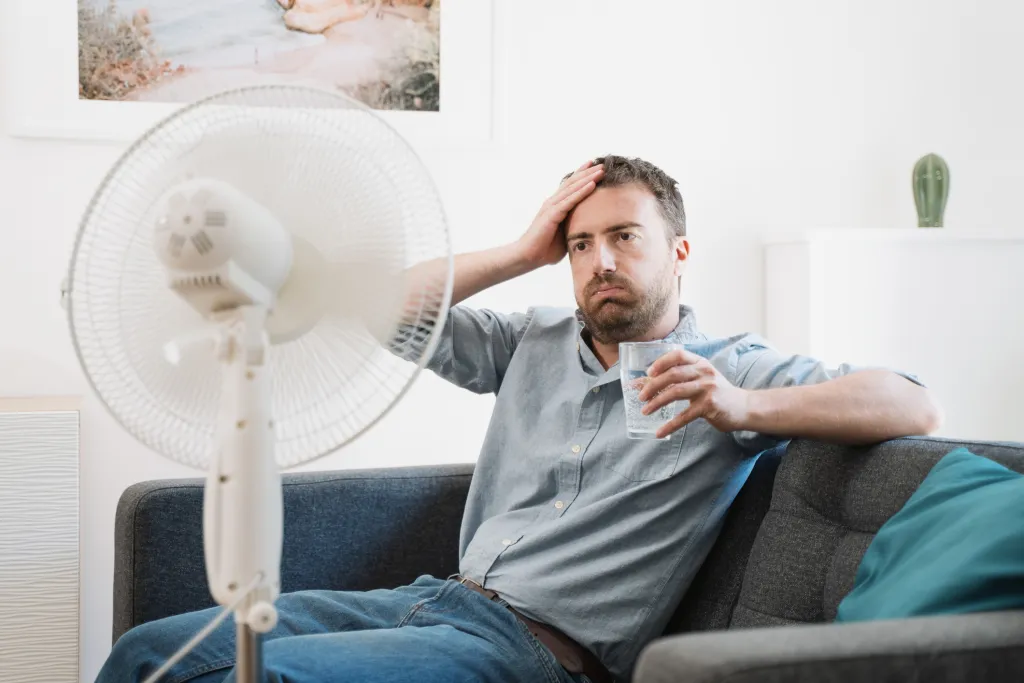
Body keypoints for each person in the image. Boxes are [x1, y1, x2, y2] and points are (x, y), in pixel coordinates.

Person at [97, 155, 942, 683]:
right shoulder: (529, 341)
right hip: (431, 603)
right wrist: (521, 248)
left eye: (624, 236)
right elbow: (384, 308)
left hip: (531, 652)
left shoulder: (727, 369)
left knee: (261, 676)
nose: (600, 261)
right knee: (151, 651)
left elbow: (911, 399)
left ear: (679, 251)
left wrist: (740, 404)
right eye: (580, 244)